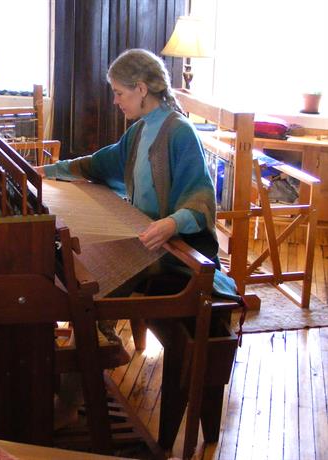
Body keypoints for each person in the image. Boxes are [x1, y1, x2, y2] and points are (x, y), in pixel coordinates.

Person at [36, 48, 238, 427]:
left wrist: (171, 223)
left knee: (88, 294)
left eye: (119, 93)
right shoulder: (142, 130)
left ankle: (71, 395)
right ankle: (77, 370)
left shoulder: (180, 133)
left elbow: (201, 199)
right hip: (146, 241)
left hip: (179, 253)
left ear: (142, 89)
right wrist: (46, 171)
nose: (115, 101)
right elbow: (99, 163)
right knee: (82, 279)